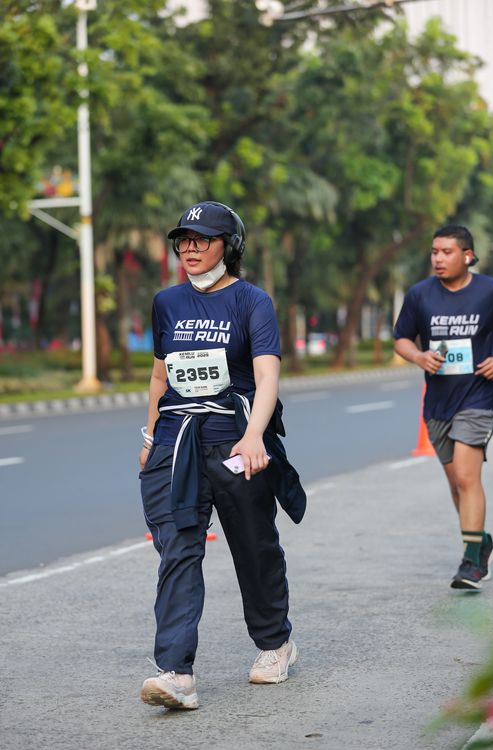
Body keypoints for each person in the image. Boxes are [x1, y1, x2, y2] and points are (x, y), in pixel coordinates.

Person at [138, 200, 306, 709]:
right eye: (183, 241)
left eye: (202, 240)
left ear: (228, 247)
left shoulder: (252, 301)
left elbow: (267, 376)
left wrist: (254, 437)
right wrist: (150, 437)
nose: (189, 248)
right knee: (178, 549)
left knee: (254, 547)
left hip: (235, 443)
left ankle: (275, 643)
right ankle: (176, 672)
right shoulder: (167, 302)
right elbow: (161, 375)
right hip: (177, 443)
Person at [394, 225, 493, 591]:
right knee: (457, 483)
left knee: (468, 478)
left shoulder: (491, 291)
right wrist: (419, 356)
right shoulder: (419, 294)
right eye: (434, 252)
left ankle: (471, 562)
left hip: (478, 397)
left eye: (446, 252)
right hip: (438, 403)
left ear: (467, 256)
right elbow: (401, 339)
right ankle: (480, 542)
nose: (438, 258)